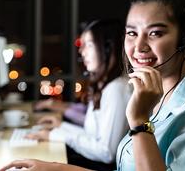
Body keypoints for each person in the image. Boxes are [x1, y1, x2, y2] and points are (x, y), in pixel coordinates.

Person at [0, 0, 185, 171]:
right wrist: (55, 168)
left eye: (155, 33)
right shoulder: (157, 98)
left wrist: (139, 121)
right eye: (132, 33)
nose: (139, 46)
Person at [28, 19, 131, 170]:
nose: (82, 51)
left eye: (89, 44)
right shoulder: (106, 86)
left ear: (108, 48)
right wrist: (60, 127)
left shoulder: (116, 88)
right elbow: (92, 135)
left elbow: (107, 152)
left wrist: (57, 135)